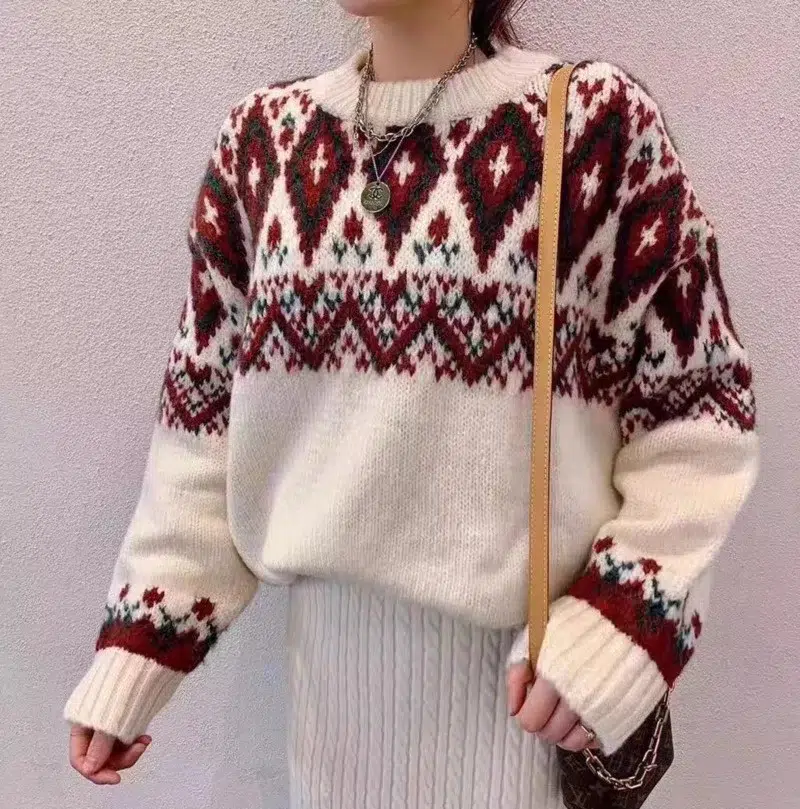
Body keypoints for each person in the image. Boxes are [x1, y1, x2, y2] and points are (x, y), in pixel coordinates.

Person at [64, 0, 759, 806]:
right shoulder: (263, 142)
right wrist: (136, 651)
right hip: (326, 729)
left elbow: (699, 417)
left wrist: (619, 628)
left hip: (526, 717)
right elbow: (203, 425)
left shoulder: (592, 127)